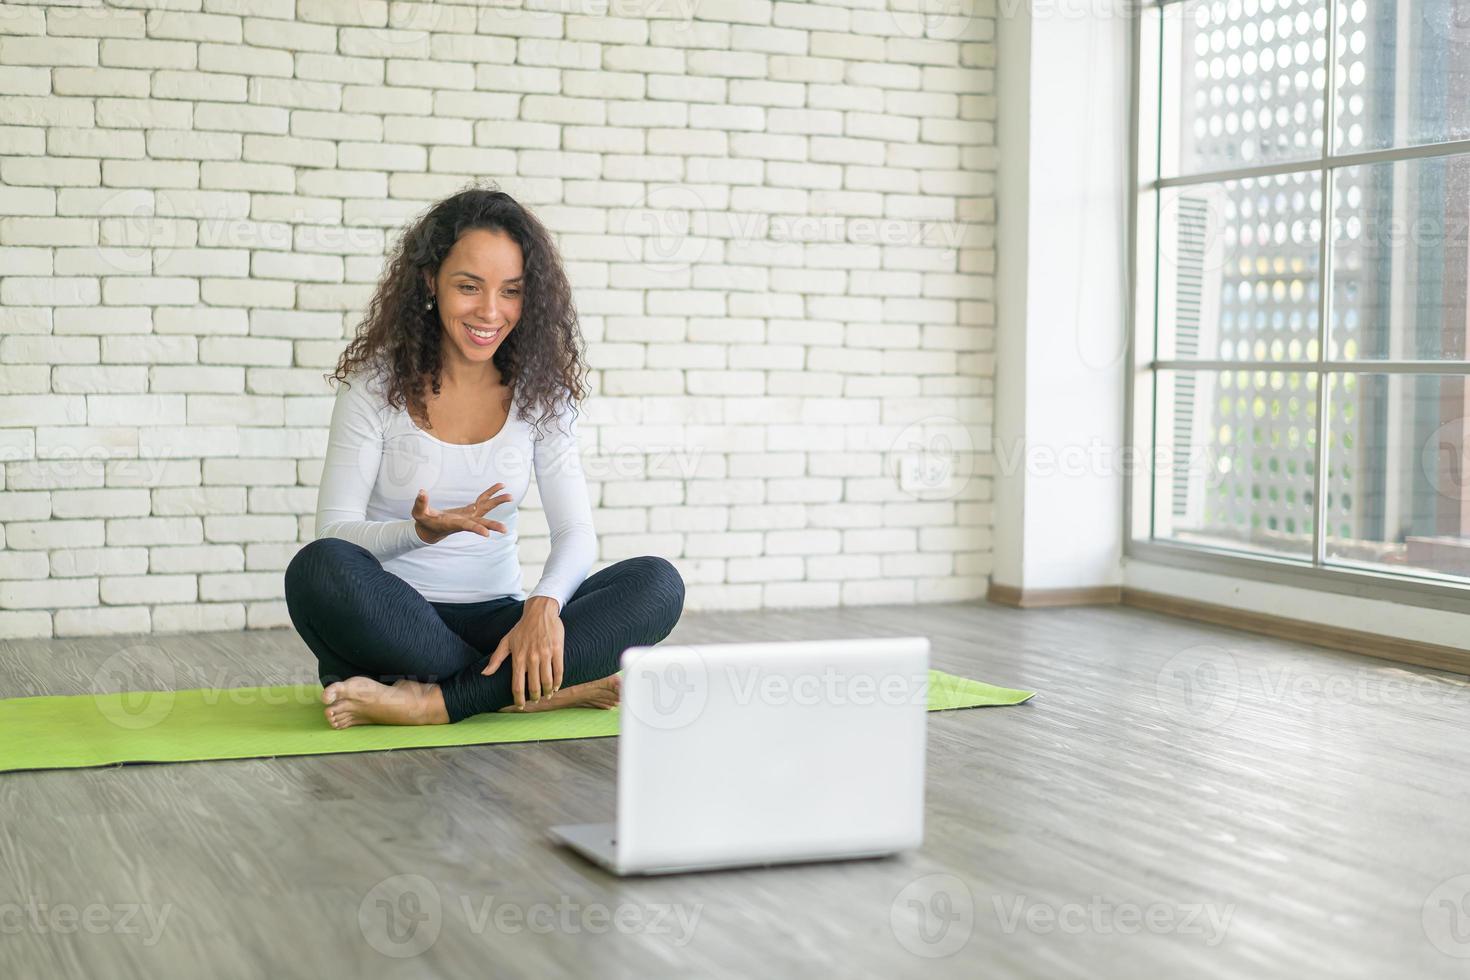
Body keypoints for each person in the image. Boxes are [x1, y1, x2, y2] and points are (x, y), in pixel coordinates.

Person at [283, 185, 686, 729]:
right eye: (469, 287)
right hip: (397, 623)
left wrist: (543, 606)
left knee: (657, 584)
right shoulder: (373, 387)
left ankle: (436, 702)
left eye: (512, 292)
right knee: (317, 569)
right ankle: (526, 690)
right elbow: (335, 531)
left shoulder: (542, 394)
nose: (491, 312)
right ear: (431, 282)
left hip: (500, 622)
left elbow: (576, 533)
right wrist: (418, 533)